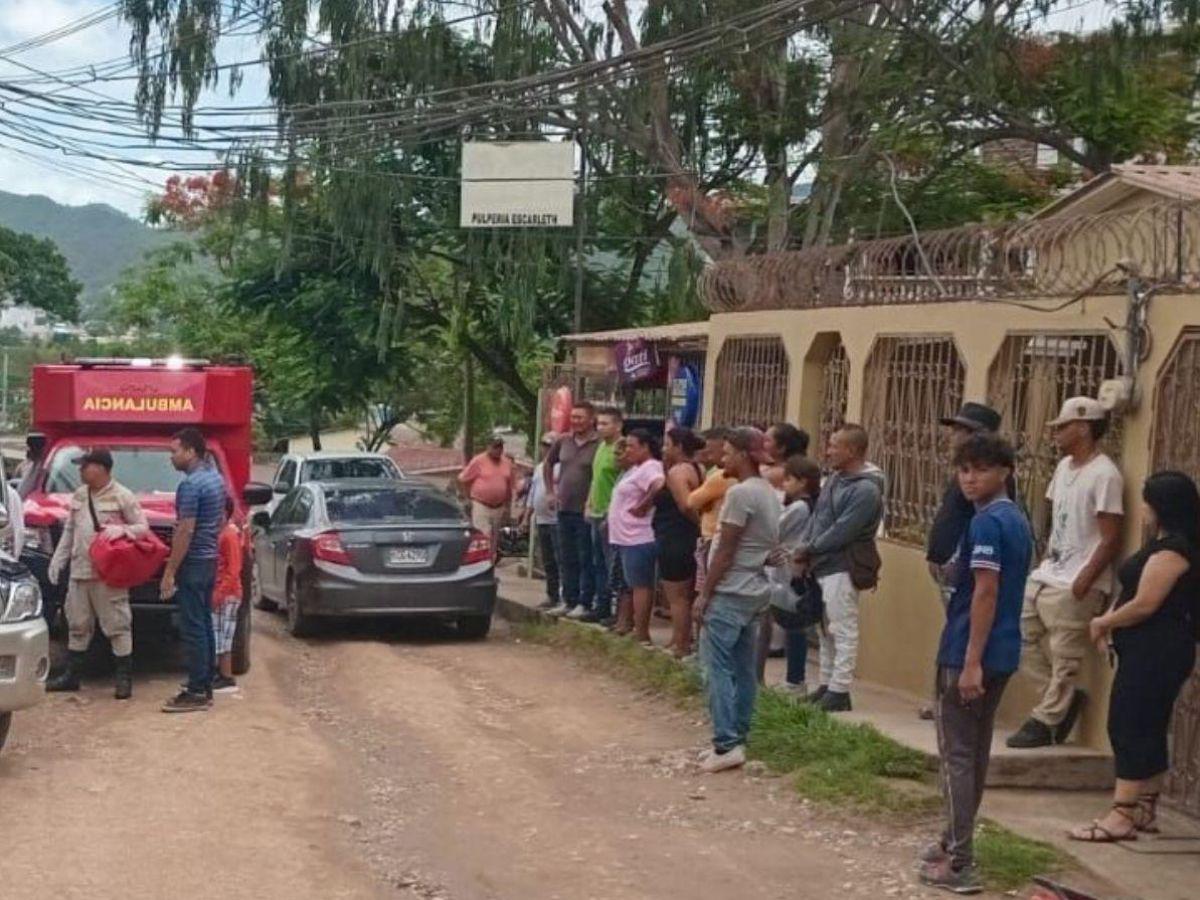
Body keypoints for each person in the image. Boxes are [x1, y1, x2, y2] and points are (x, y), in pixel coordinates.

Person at [919, 433, 1032, 895]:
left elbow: (985, 591)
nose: (969, 478)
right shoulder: (1016, 519)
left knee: (956, 757)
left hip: (972, 650)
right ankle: (952, 840)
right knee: (975, 753)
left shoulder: (988, 524)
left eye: (981, 469)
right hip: (1001, 650)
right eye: (964, 469)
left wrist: (970, 663)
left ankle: (962, 860)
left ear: (1004, 471)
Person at [1068, 471, 1200, 843]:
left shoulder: (1174, 550)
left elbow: (1146, 603)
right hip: (1149, 649)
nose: (1142, 509)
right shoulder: (1165, 544)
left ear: (1161, 506)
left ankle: (1121, 813)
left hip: (1156, 650)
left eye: (1147, 501)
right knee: (1149, 724)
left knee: (1128, 723)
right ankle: (1144, 806)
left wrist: (1103, 622)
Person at [1008, 397, 1124, 749]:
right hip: (1050, 572)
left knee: (1065, 654)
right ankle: (1060, 700)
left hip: (1077, 581)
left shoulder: (1105, 474)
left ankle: (1047, 719)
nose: (1055, 433)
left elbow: (1110, 535)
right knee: (1018, 634)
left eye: (1063, 426)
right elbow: (1056, 520)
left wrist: (1084, 580)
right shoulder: (1063, 468)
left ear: (1085, 427)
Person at [694, 427, 782, 773]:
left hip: (730, 591)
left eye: (728, 453)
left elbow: (726, 549)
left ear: (744, 455)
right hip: (754, 591)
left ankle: (726, 742)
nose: (722, 459)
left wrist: (705, 593)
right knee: (744, 669)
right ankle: (739, 737)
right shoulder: (767, 493)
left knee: (715, 668)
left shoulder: (740, 494)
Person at [920, 401, 1010, 721]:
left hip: (966, 571)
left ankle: (958, 697)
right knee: (953, 631)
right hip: (947, 566)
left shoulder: (988, 484)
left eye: (962, 430)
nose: (954, 436)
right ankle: (947, 695)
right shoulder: (966, 471)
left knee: (963, 633)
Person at [794, 424, 885, 712]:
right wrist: (804, 546)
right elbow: (818, 517)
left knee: (843, 627)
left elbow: (842, 531)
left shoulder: (866, 490)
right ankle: (826, 683)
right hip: (821, 564)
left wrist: (809, 548)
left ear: (853, 450)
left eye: (835, 445)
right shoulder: (835, 479)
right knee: (824, 628)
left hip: (843, 565)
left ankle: (840, 689)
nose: (828, 450)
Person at [45, 448, 148, 700]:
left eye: (84, 466)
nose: (79, 471)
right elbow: (70, 530)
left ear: (100, 468)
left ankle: (123, 679)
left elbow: (142, 528)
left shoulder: (122, 496)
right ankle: (72, 677)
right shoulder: (80, 495)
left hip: (108, 575)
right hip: (80, 572)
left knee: (117, 625)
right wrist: (58, 559)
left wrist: (124, 531)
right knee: (77, 624)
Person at [161, 427, 227, 713]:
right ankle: (206, 683)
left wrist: (170, 570)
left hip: (194, 562)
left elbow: (185, 530)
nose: (171, 458)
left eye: (174, 451)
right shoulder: (215, 479)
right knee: (204, 623)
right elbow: (220, 519)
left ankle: (197, 689)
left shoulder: (190, 485)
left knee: (193, 627)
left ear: (190, 451)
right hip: (209, 558)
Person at [768, 455, 822, 696]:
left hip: (791, 570)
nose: (784, 484)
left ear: (802, 482)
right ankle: (795, 678)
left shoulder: (800, 507)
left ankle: (795, 679)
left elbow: (775, 530)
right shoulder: (810, 505)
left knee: (793, 625)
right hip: (794, 569)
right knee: (793, 625)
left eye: (789, 479)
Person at [652, 428, 706, 659]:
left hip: (676, 536)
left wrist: (700, 525)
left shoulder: (677, 472)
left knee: (677, 596)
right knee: (686, 593)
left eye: (667, 445)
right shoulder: (698, 468)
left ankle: (681, 644)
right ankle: (680, 639)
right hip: (687, 536)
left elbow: (686, 505)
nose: (664, 450)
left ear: (679, 447)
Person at [606, 430, 663, 644]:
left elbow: (658, 485)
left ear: (645, 447)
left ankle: (642, 632)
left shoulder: (650, 467)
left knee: (640, 585)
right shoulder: (635, 469)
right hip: (625, 537)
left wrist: (644, 504)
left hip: (638, 536)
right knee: (628, 584)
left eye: (631, 446)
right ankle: (629, 624)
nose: (627, 450)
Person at [545, 402, 600, 618]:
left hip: (586, 510)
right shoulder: (563, 441)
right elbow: (548, 464)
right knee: (566, 556)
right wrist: (550, 491)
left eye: (580, 417)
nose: (575, 421)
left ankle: (584, 602)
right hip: (564, 508)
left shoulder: (598, 444)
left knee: (586, 557)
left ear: (591, 419)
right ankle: (568, 599)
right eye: (573, 417)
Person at [582, 407, 624, 624]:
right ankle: (602, 606)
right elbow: (595, 479)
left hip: (612, 515)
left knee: (612, 563)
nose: (600, 428)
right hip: (596, 512)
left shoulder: (621, 449)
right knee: (598, 561)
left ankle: (618, 611)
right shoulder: (600, 448)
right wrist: (588, 503)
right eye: (598, 424)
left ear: (618, 425)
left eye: (605, 424)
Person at [687, 427, 734, 597]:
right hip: (715, 534)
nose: (707, 454)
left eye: (711, 450)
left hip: (712, 537)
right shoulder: (717, 472)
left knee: (706, 591)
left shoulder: (721, 476)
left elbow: (692, 501)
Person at [458, 436, 514, 563]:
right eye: (495, 447)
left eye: (500, 447)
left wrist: (508, 507)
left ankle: (491, 561)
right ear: (488, 447)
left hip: (499, 506)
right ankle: (481, 561)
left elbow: (510, 486)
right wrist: (467, 496)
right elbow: (463, 479)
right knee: (484, 534)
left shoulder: (507, 463)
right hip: (481, 504)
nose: (498, 450)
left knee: (494, 537)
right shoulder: (478, 461)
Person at [210, 496, 244, 694]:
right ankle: (221, 673)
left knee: (224, 635)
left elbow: (233, 569)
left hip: (227, 593)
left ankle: (226, 676)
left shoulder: (228, 536)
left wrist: (220, 594)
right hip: (222, 591)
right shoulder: (222, 534)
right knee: (219, 634)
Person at [524, 433, 561, 610]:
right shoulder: (541, 467)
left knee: (560, 559)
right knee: (548, 561)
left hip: (558, 520)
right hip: (542, 519)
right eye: (545, 445)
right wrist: (526, 516)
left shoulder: (563, 467)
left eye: (550, 445)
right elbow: (533, 492)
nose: (547, 448)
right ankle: (552, 595)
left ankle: (563, 596)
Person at [762, 423, 810, 493]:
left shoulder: (780, 472)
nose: (762, 444)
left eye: (767, 440)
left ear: (781, 448)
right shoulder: (774, 467)